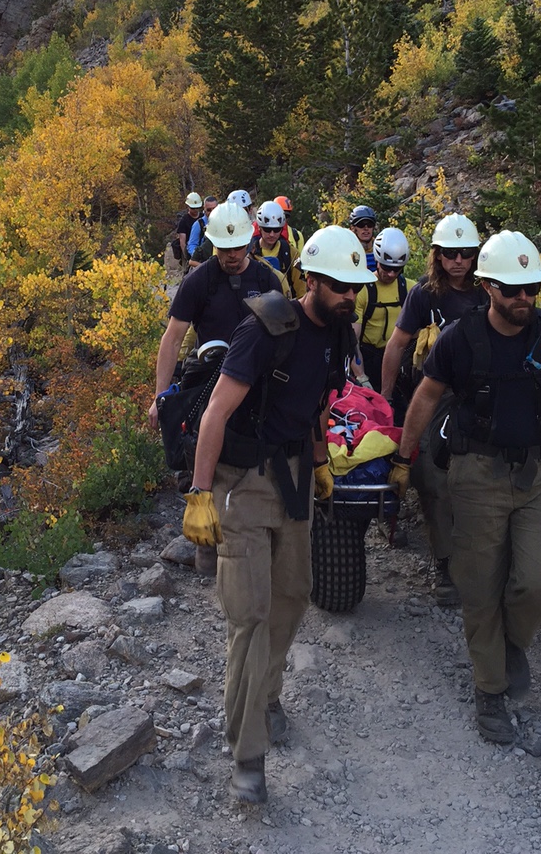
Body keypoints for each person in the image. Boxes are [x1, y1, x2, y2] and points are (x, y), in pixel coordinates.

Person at [388, 230, 541, 745]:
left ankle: (512, 641)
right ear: (488, 287)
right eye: (513, 290)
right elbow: (425, 400)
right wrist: (405, 460)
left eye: (532, 288)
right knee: (479, 586)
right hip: (476, 474)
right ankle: (490, 690)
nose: (525, 299)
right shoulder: (459, 339)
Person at [182, 226, 375, 803]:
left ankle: (266, 695)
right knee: (251, 614)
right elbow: (217, 410)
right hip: (242, 482)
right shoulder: (265, 328)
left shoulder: (340, 335)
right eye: (339, 285)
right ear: (311, 279)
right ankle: (248, 753)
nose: (349, 295)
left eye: (355, 287)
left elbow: (319, 404)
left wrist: (320, 466)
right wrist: (199, 493)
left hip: (292, 480)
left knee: (293, 596)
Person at [379, 213, 483, 604]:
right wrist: (387, 398)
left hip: (479, 395)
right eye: (450, 253)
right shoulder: (424, 295)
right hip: (433, 396)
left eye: (466, 253)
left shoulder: (488, 292)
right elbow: (396, 344)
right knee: (431, 477)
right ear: (438, 256)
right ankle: (445, 563)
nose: (458, 260)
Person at [148, 201, 284, 435]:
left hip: (256, 385)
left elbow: (282, 339)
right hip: (208, 384)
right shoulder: (198, 281)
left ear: (249, 242)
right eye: (224, 248)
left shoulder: (266, 281)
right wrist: (160, 397)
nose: (232, 255)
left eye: (238, 247)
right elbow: (172, 339)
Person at [352, 227, 415, 397]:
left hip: (400, 360)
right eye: (386, 268)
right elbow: (352, 339)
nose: (391, 274)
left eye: (397, 269)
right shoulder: (363, 290)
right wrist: (361, 376)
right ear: (377, 261)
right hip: (369, 358)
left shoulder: (411, 289)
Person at [250, 200, 303, 297]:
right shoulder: (250, 253)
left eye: (276, 230)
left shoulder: (291, 253)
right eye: (267, 229)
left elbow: (302, 290)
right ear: (259, 228)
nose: (272, 234)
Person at [186, 195, 218, 265]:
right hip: (203, 262)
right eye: (209, 210)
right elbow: (191, 244)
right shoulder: (198, 224)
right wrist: (197, 256)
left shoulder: (224, 222)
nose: (212, 212)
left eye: (214, 209)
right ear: (204, 209)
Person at [175, 192, 203, 265]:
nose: (195, 210)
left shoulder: (203, 218)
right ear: (188, 207)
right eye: (193, 208)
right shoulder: (184, 221)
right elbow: (182, 242)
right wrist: (187, 257)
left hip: (203, 250)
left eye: (197, 208)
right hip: (189, 251)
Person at [275, 195, 305, 261]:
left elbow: (301, 260)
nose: (283, 219)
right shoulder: (264, 233)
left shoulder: (297, 236)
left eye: (286, 216)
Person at [348, 205, 377, 270]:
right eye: (361, 224)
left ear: (373, 227)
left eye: (369, 224)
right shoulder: (346, 252)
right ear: (352, 228)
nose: (366, 228)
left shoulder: (382, 250)